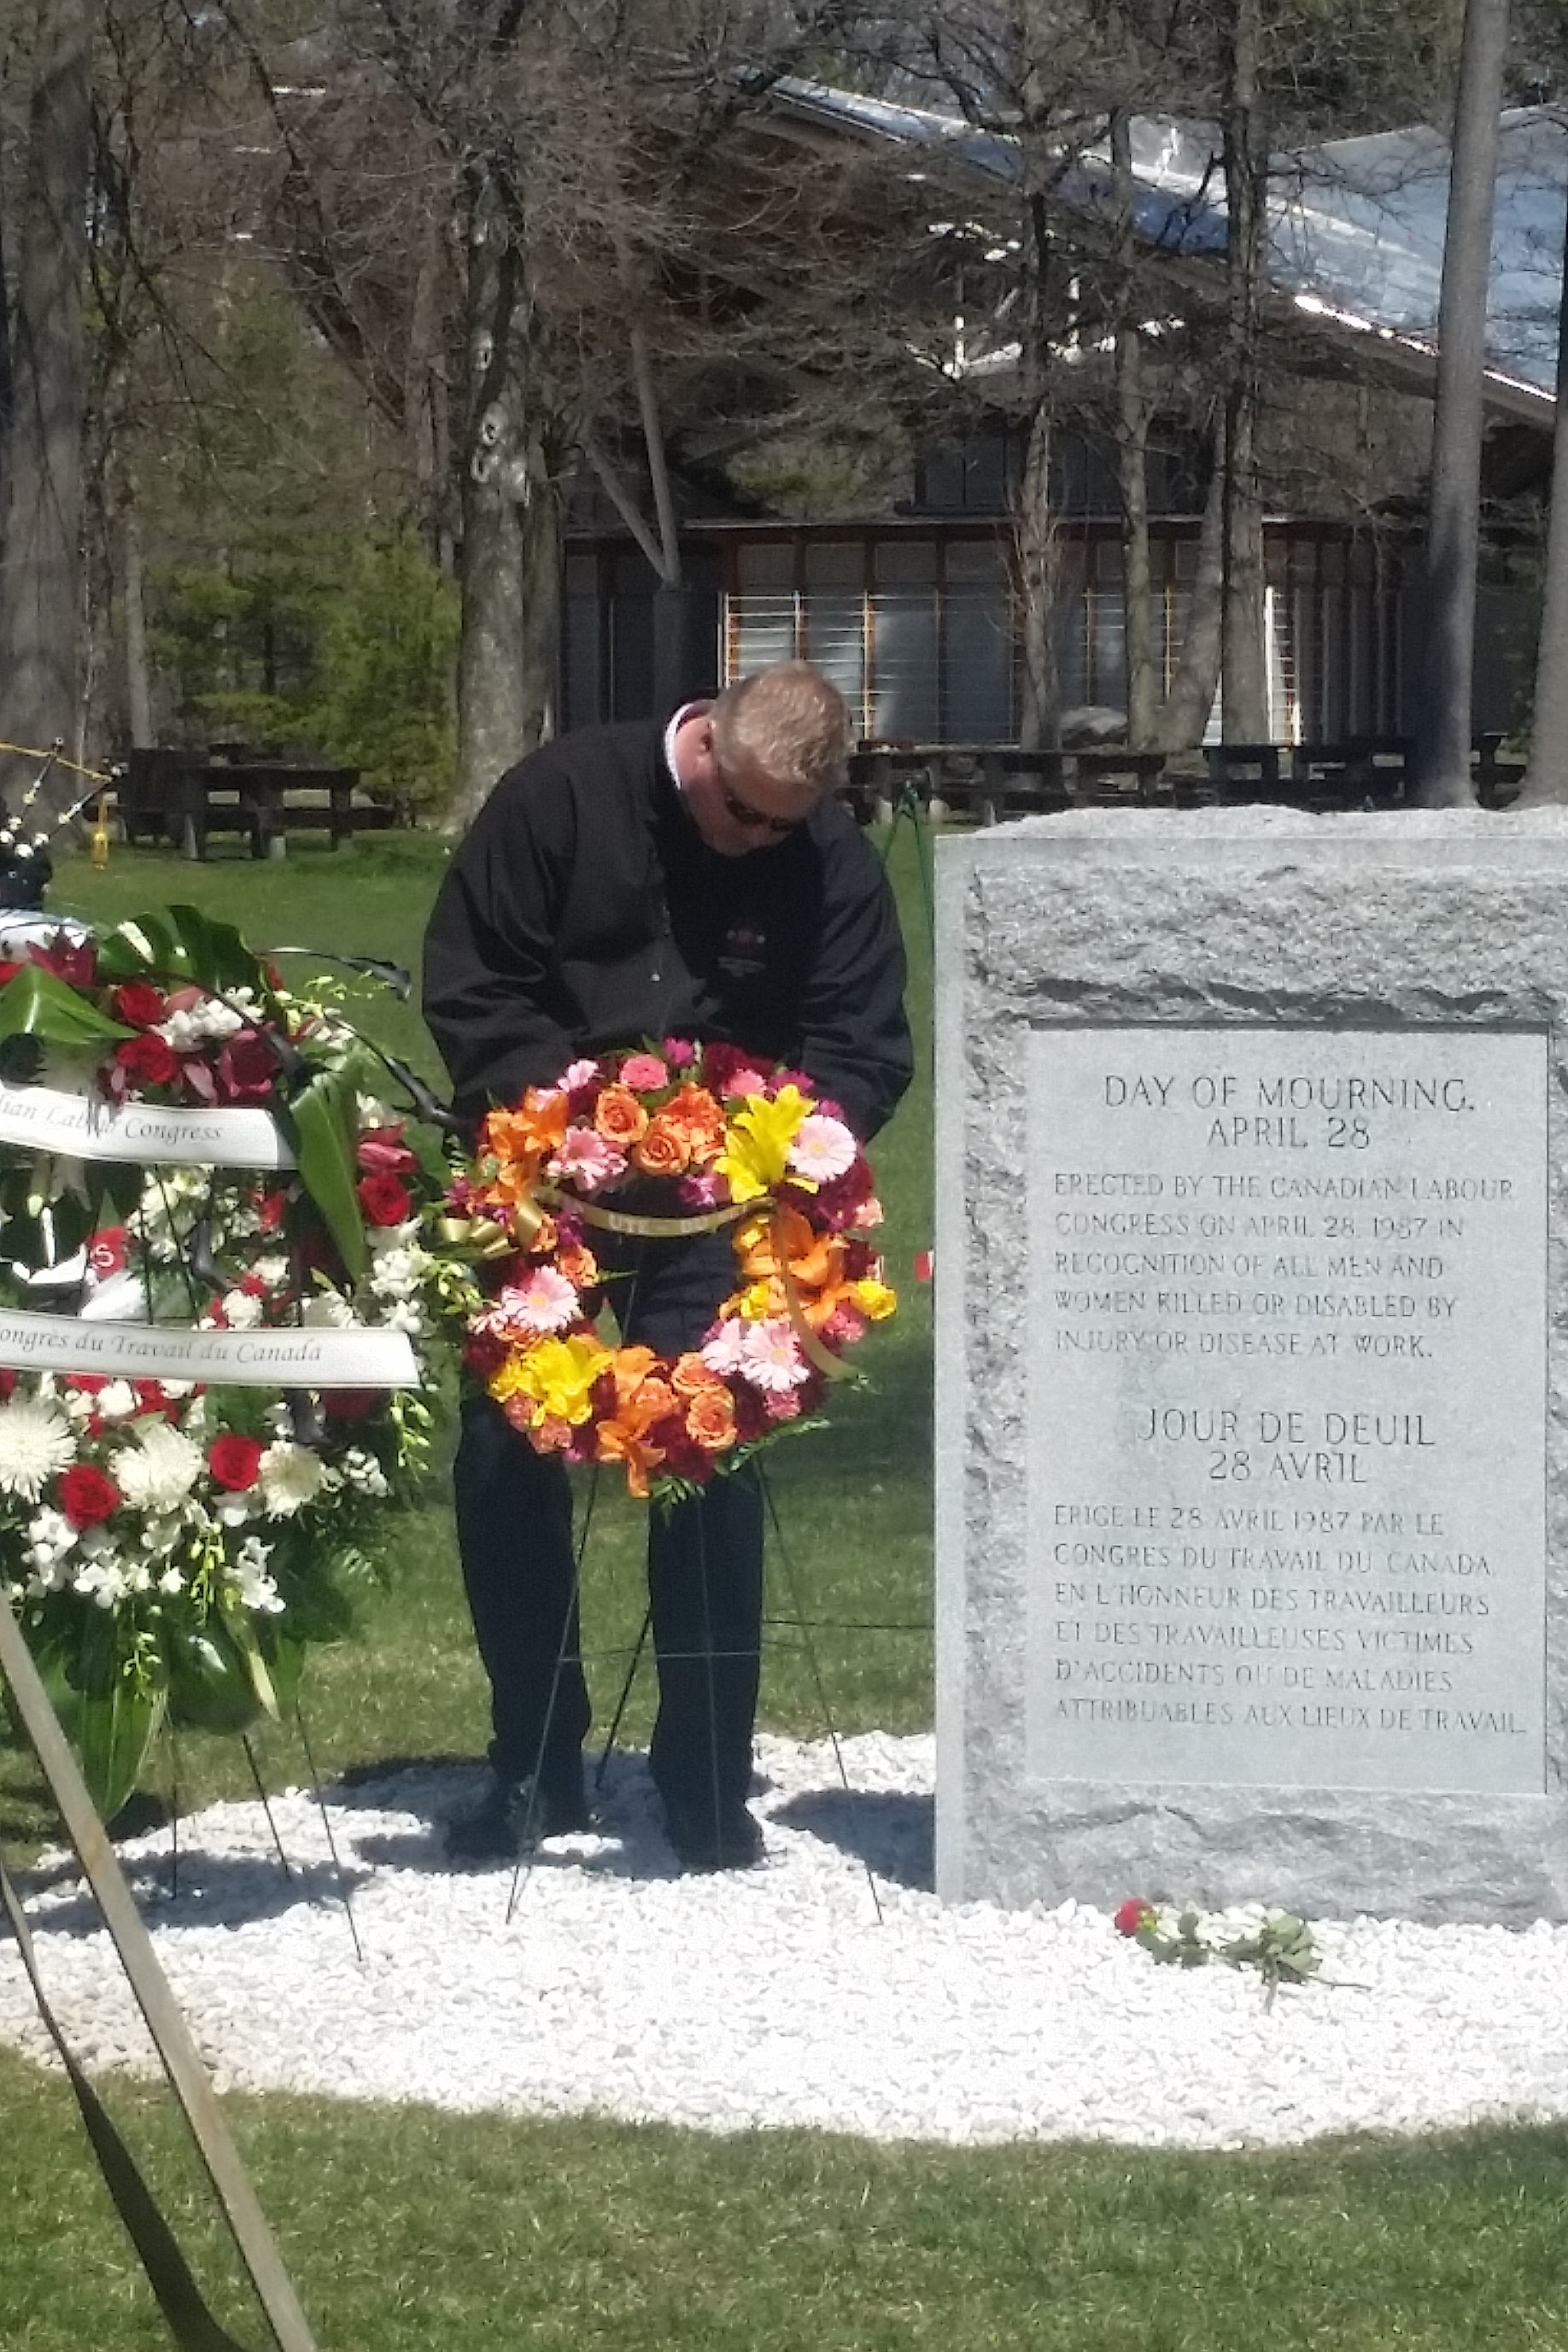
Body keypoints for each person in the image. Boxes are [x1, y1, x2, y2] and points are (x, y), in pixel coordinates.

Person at [422, 661, 912, 1870]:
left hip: (718, 1213)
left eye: (781, 827)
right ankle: (534, 1767)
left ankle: (703, 1782)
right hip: (550, 1187)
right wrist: (571, 1111)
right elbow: (471, 980)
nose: (754, 844)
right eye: (739, 812)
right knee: (503, 1452)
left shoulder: (823, 857)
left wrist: (779, 1134)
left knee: (709, 1455)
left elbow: (862, 1043)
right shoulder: (560, 798)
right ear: (702, 745)